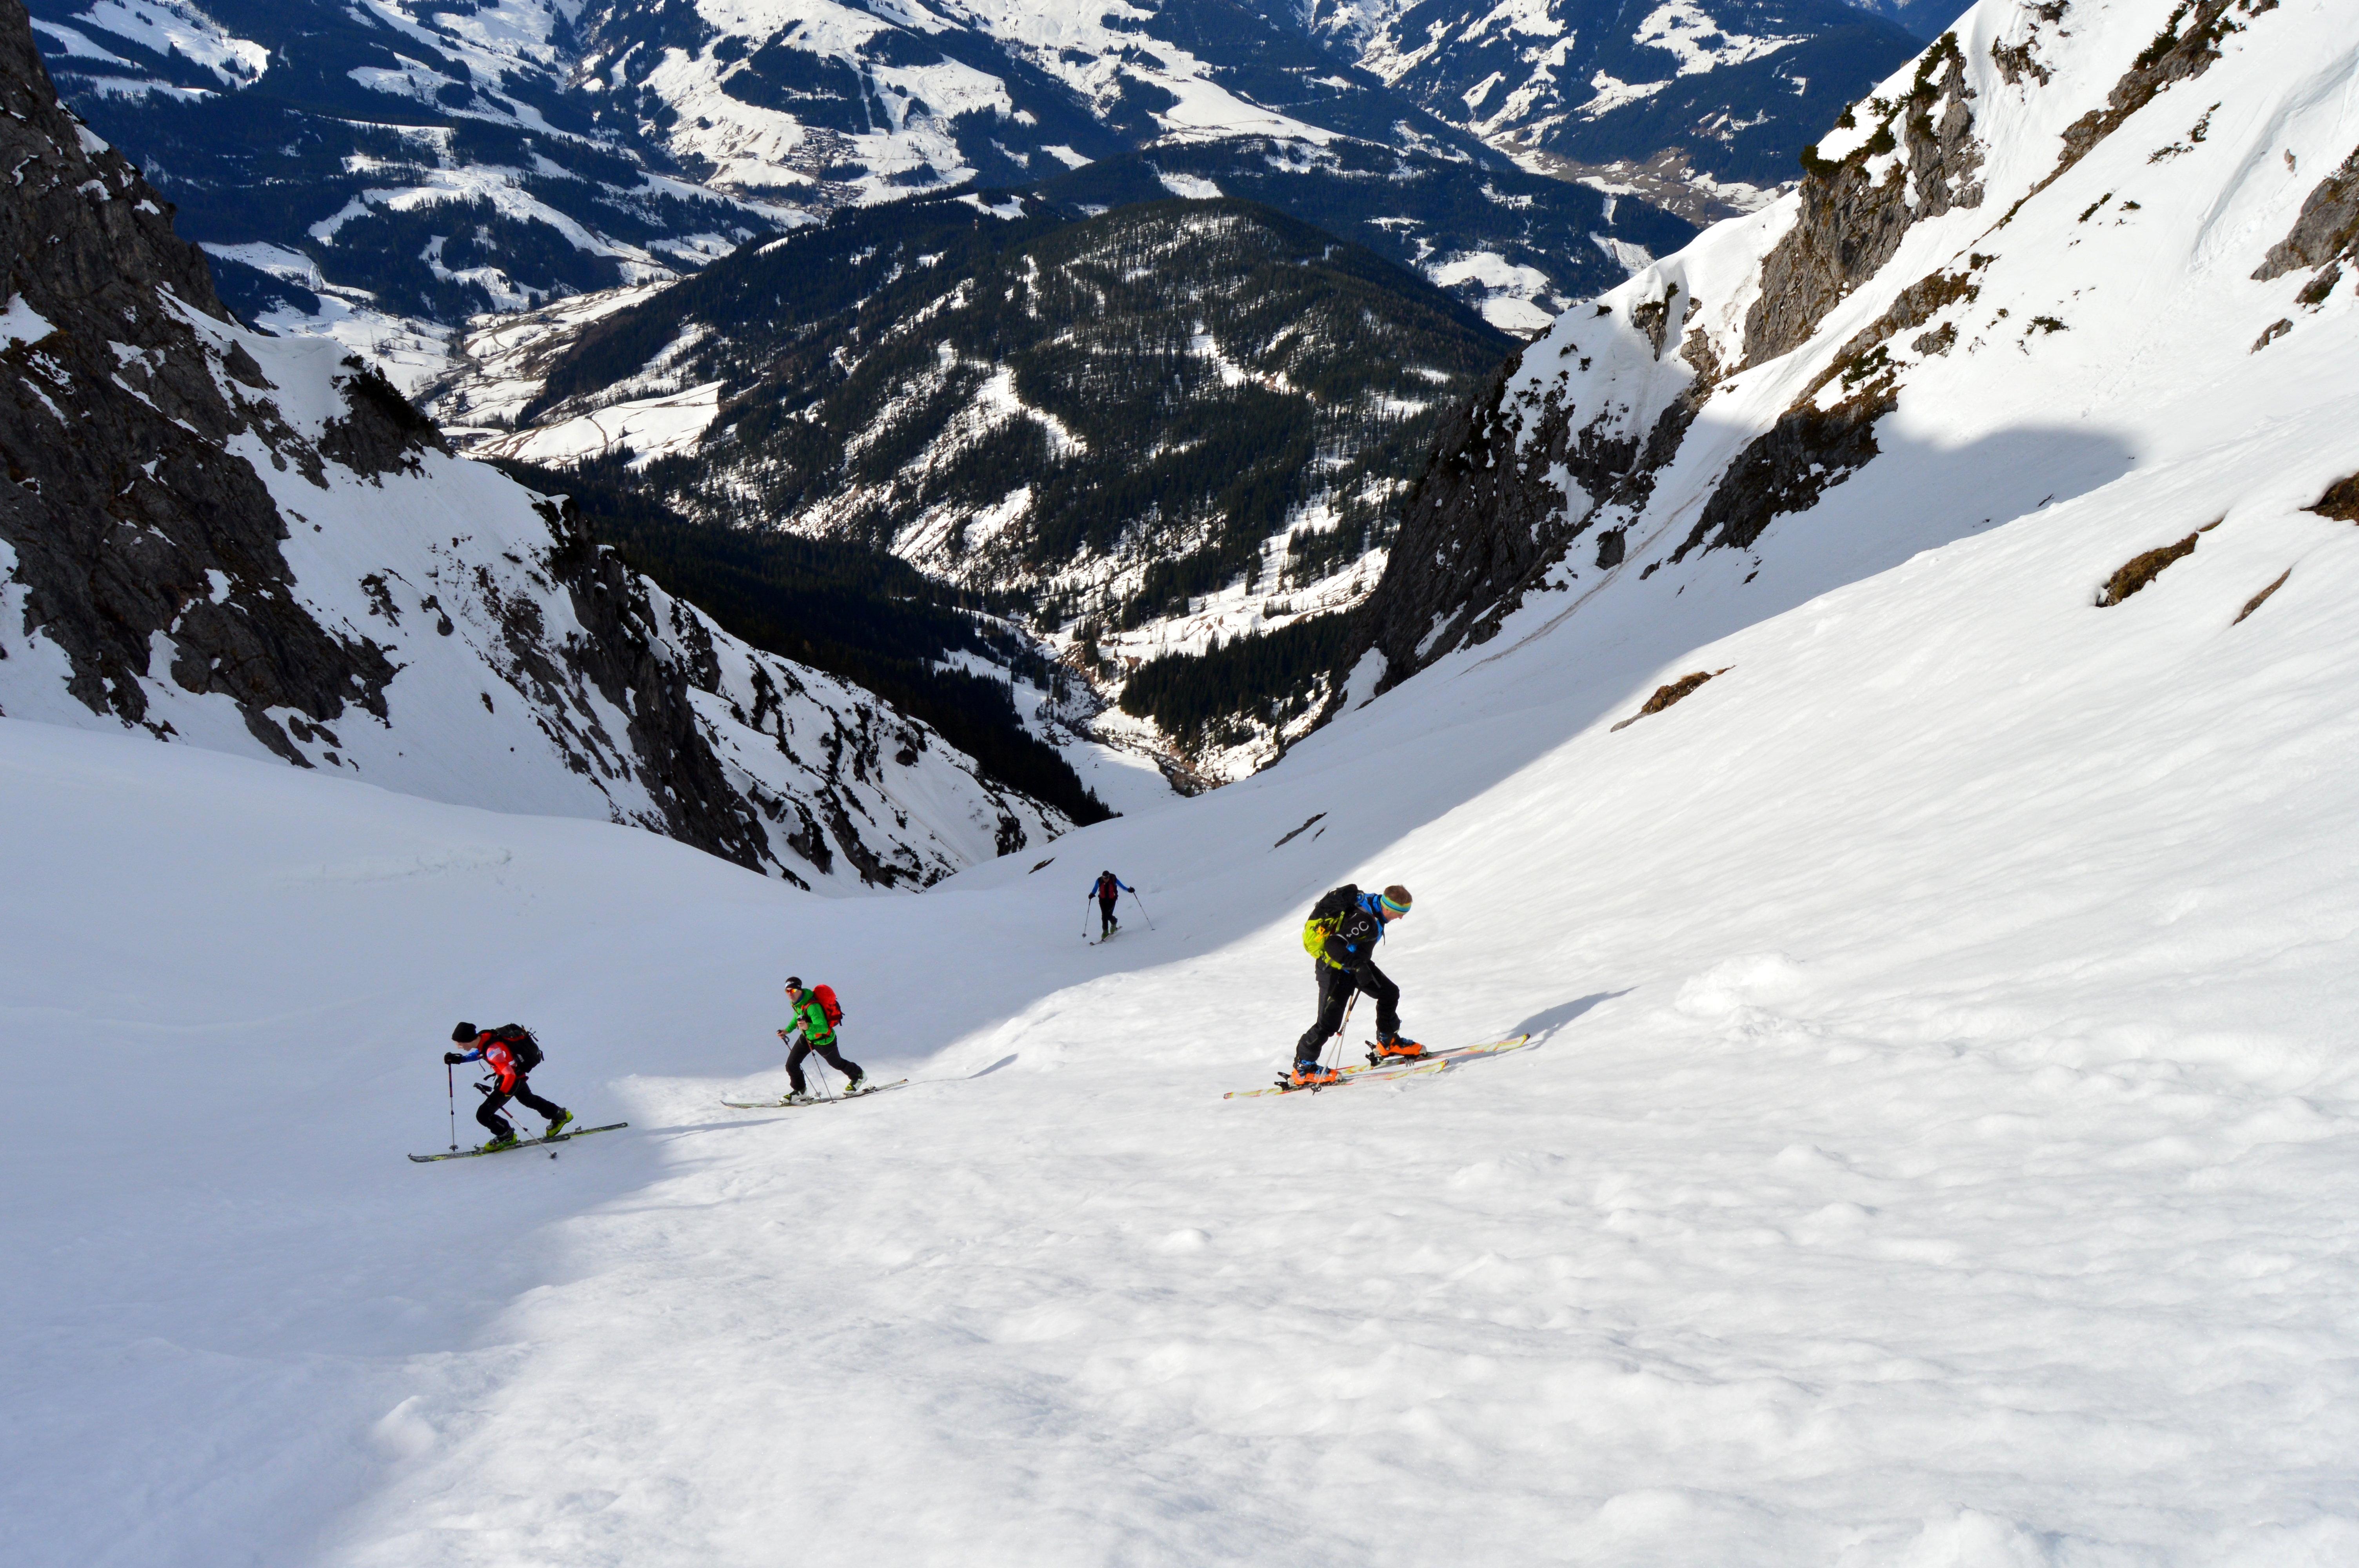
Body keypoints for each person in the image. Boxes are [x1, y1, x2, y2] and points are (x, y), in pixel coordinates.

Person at [1290, 884, 1421, 1087]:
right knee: (1328, 1023)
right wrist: (1357, 966)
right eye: (1399, 913)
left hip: (1356, 967)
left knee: (1389, 993)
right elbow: (1333, 944)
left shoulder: (1374, 905)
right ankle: (1303, 1068)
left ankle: (1388, 1042)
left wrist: (1359, 966)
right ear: (1387, 907)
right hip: (1335, 971)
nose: (1400, 918)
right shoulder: (1365, 920)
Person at [445, 1022, 572, 1149]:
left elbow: (509, 1075)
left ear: (468, 1040)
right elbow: (480, 1053)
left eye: (459, 1043)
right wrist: (461, 1059)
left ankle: (506, 1135)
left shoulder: (493, 1052)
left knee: (483, 1115)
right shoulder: (484, 1038)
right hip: (517, 1076)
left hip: (511, 1080)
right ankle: (560, 1115)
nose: (458, 1047)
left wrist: (501, 1094)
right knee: (529, 1100)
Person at [778, 976, 865, 1103]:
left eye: (793, 991)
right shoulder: (798, 1004)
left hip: (824, 1040)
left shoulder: (813, 1007)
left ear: (799, 990)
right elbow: (797, 1018)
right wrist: (787, 1030)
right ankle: (800, 1091)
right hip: (808, 1038)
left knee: (837, 1063)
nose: (790, 994)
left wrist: (808, 1026)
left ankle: (858, 1075)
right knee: (791, 1065)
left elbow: (824, 1028)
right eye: (787, 991)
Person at [1089, 869, 1132, 938]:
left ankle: (1114, 922)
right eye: (1105, 878)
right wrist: (1092, 894)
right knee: (1104, 916)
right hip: (1102, 900)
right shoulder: (1099, 880)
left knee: (1108, 915)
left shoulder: (1113, 880)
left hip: (1112, 900)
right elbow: (1095, 888)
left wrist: (1129, 890)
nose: (1106, 879)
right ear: (1103, 877)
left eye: (1108, 878)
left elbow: (1123, 887)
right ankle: (1105, 931)